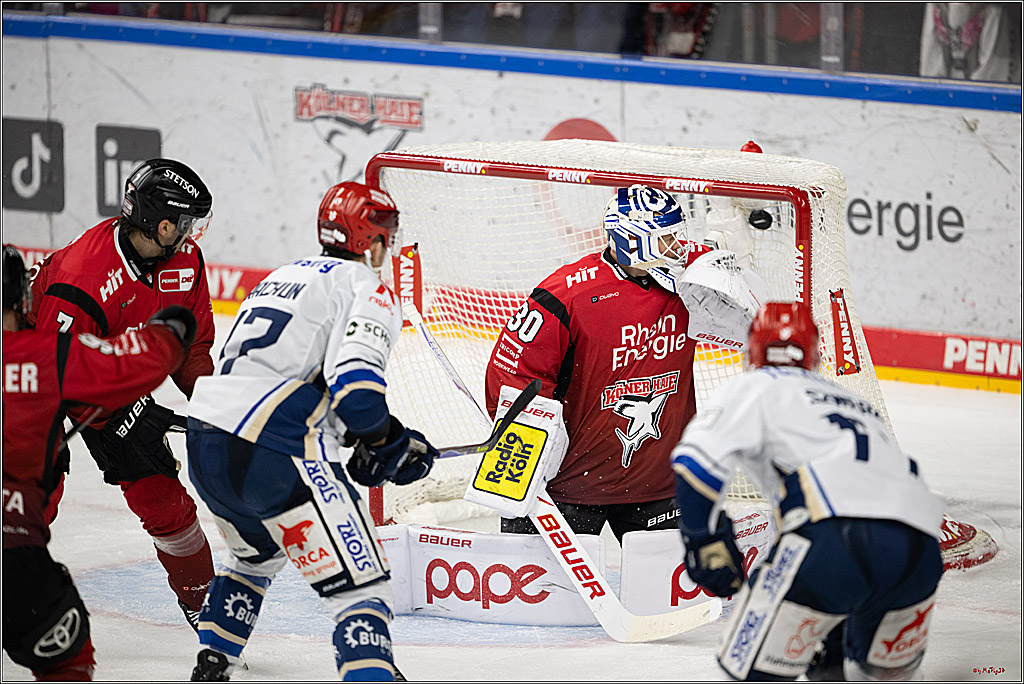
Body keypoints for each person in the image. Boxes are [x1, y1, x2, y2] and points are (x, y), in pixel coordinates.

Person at [185, 181, 438, 681]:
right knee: (361, 588)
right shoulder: (367, 288)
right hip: (273, 446)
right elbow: (358, 393)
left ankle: (213, 663)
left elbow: (294, 378)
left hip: (206, 436)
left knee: (252, 558)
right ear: (372, 240)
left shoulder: (282, 275)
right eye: (386, 236)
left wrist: (372, 436)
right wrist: (387, 443)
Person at [671, 302, 945, 681]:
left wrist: (705, 541)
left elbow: (694, 464)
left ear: (753, 351)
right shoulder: (859, 403)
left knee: (752, 672)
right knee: (861, 673)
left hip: (832, 539)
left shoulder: (753, 385)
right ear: (814, 354)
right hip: (919, 550)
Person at [484, 183, 759, 541]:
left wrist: (737, 269)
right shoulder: (567, 295)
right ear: (631, 241)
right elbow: (514, 375)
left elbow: (751, 328)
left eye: (678, 236)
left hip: (659, 483)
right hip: (568, 486)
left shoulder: (694, 278)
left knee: (674, 595)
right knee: (540, 592)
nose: (678, 247)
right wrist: (532, 446)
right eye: (665, 240)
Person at [27, 158, 218, 630]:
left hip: (104, 371)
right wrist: (126, 410)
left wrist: (218, 409)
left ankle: (206, 609)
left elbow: (191, 347)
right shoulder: (83, 277)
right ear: (161, 223)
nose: (193, 234)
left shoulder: (184, 261)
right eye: (187, 223)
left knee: (165, 501)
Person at [2, 244, 196, 681]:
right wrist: (170, 329)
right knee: (67, 659)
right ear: (19, 300)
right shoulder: (43, 355)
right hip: (13, 556)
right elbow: (135, 362)